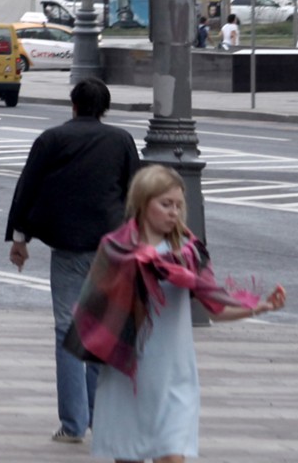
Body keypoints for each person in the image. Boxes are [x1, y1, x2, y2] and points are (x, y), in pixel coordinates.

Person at [72, 165, 285, 462]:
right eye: (166, 204)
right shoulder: (115, 250)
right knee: (128, 456)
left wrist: (258, 306)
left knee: (173, 455)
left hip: (175, 372)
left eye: (178, 205)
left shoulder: (189, 252)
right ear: (143, 203)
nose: (174, 212)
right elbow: (92, 312)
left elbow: (216, 306)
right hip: (128, 373)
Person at [4, 78, 141, 445]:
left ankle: (72, 424)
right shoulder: (121, 141)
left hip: (67, 248)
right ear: (105, 109)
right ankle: (101, 417)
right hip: (111, 249)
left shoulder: (52, 139)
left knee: (68, 330)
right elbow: (137, 191)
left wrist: (20, 240)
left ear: (74, 106)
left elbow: (27, 188)